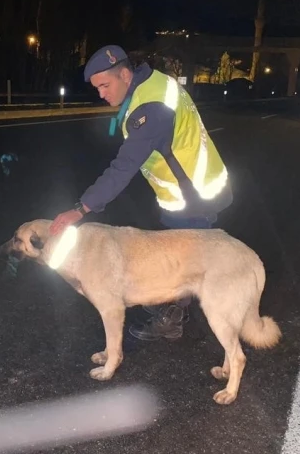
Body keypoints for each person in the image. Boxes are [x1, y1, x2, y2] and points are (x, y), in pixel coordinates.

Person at [49, 44, 234, 341]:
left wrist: (80, 209)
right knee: (175, 255)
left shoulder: (150, 110)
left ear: (124, 74)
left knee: (182, 264)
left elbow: (123, 168)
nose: (101, 94)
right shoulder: (153, 84)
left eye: (105, 85)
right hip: (188, 187)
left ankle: (173, 318)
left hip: (193, 195)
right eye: (97, 88)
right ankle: (172, 302)